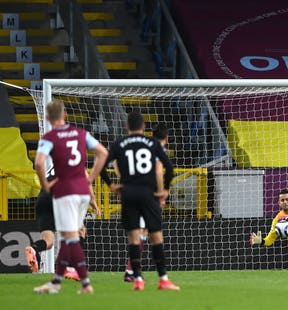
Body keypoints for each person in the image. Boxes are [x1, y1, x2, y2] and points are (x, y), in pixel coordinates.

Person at [33, 99, 108, 294]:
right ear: (65, 115)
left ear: (48, 118)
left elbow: (39, 163)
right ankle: (70, 282)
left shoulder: (50, 138)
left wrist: (46, 185)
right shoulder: (81, 134)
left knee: (70, 238)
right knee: (72, 236)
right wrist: (91, 180)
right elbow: (103, 153)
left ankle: (77, 278)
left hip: (65, 192)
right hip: (81, 191)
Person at [100, 112, 179, 291]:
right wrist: (165, 190)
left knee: (134, 237)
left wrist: (112, 185)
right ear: (144, 128)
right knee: (156, 236)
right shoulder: (152, 143)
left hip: (128, 193)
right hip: (148, 193)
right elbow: (168, 168)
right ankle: (163, 279)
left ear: (127, 127)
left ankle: (137, 279)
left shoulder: (119, 144)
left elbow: (102, 165)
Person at [25, 167, 100, 282]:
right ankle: (72, 268)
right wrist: (93, 201)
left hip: (43, 199)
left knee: (49, 241)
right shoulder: (74, 158)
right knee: (80, 230)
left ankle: (35, 249)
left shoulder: (53, 164)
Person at [122, 123, 169, 282]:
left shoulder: (145, 147)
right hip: (148, 195)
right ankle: (131, 271)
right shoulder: (159, 149)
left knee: (142, 232)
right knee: (143, 233)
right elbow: (158, 171)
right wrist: (161, 193)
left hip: (135, 191)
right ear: (167, 139)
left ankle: (132, 271)